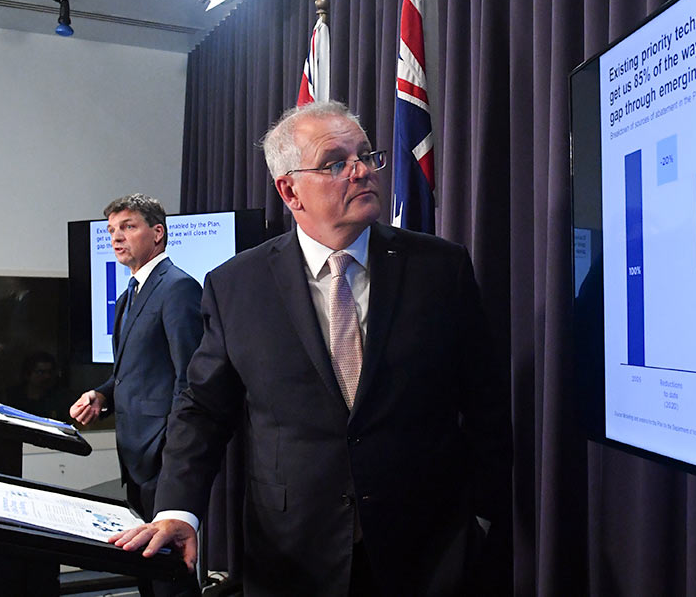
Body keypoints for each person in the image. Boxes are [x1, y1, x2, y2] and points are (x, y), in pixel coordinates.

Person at [110, 101, 511, 596]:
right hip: (292, 552)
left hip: (427, 550)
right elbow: (202, 409)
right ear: (289, 190)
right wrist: (178, 508)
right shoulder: (237, 285)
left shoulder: (438, 267)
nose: (362, 170)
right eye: (336, 162)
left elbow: (485, 399)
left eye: (365, 155)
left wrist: (486, 513)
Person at [69, 194, 204, 523]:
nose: (115, 237)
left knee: (167, 566)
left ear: (157, 233)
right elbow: (134, 369)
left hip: (161, 455)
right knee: (144, 561)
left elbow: (191, 377)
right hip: (132, 452)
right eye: (112, 230)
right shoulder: (128, 294)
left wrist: (173, 449)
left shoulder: (178, 287)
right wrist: (102, 395)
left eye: (127, 227)